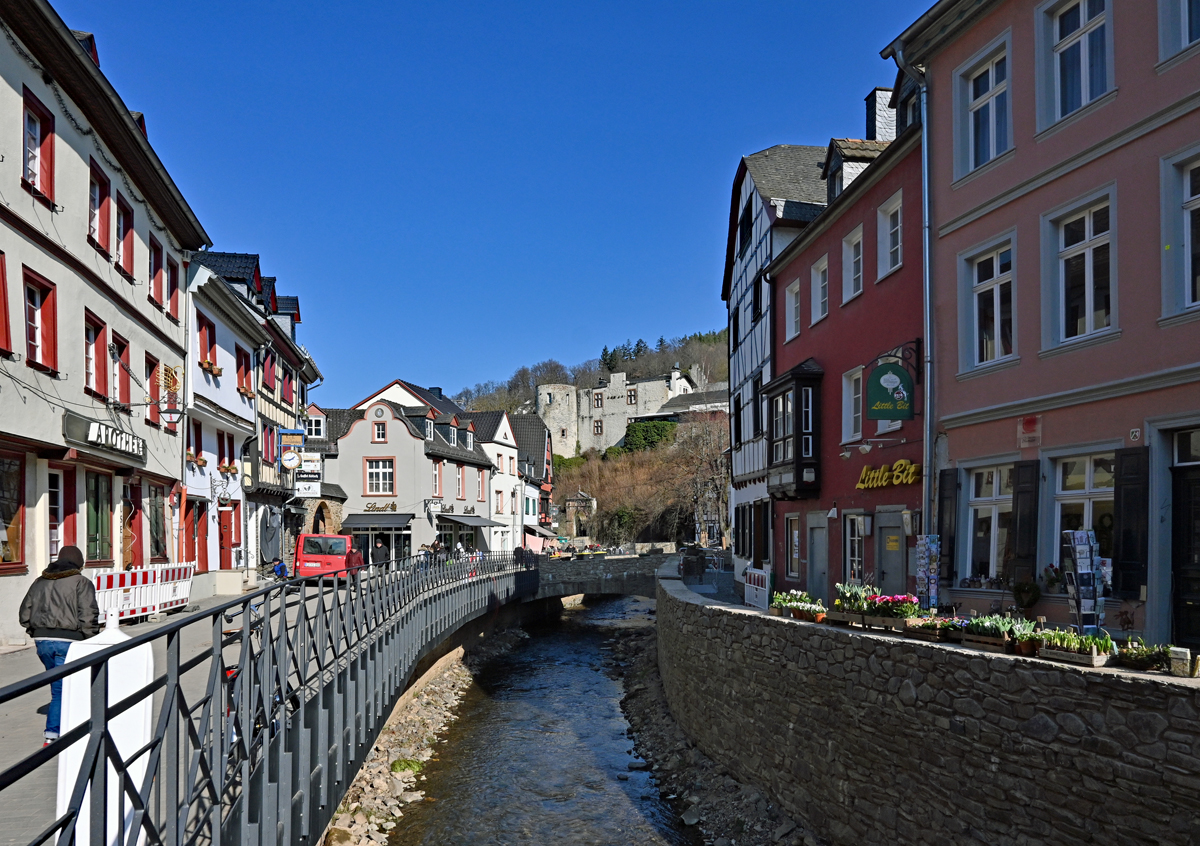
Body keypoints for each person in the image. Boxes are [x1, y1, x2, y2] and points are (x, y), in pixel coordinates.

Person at [18, 546, 99, 746]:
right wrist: (90, 639)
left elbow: (24, 615)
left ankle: (66, 726)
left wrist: (35, 632)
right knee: (62, 689)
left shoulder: (39, 582)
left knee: (59, 687)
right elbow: (88, 615)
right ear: (79, 563)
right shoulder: (81, 582)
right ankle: (52, 734)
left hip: (42, 641)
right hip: (69, 641)